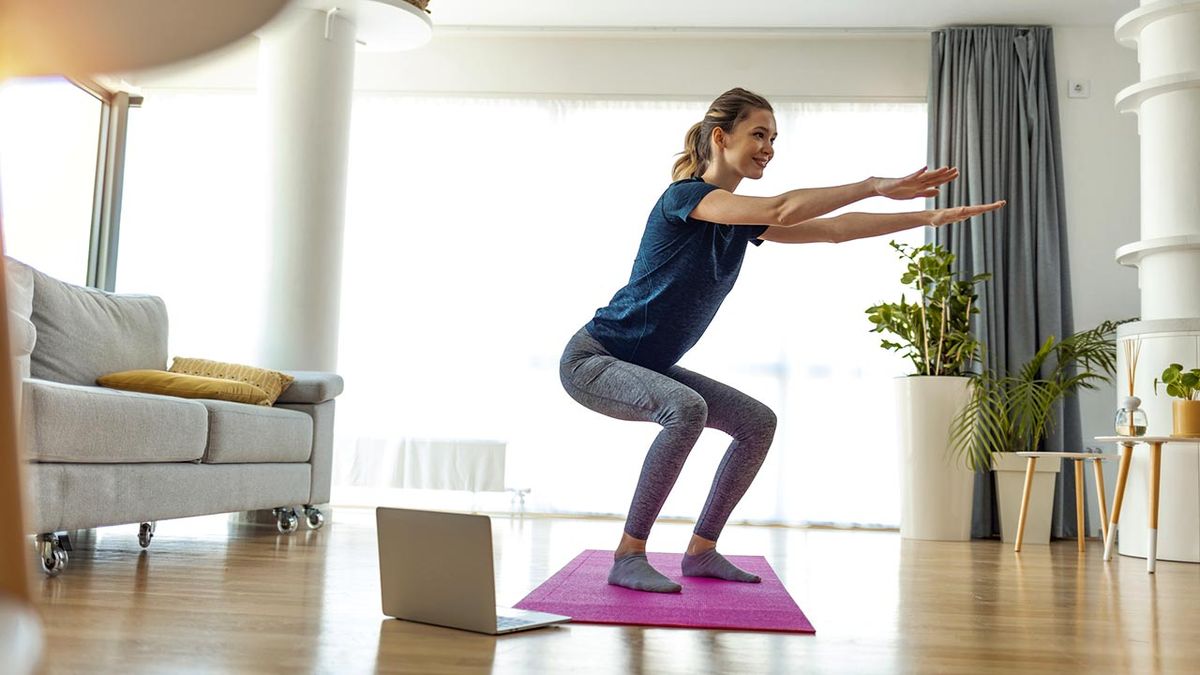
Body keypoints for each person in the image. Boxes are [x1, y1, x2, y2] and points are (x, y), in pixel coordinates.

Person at [559, 87, 1005, 593]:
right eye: (758, 134)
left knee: (755, 423)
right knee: (686, 410)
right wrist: (874, 184)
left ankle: (702, 550)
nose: (769, 147)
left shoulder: (739, 221)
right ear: (721, 137)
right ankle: (629, 553)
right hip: (594, 359)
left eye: (774, 138)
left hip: (646, 364)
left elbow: (833, 231)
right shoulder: (684, 199)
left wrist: (927, 218)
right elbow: (785, 207)